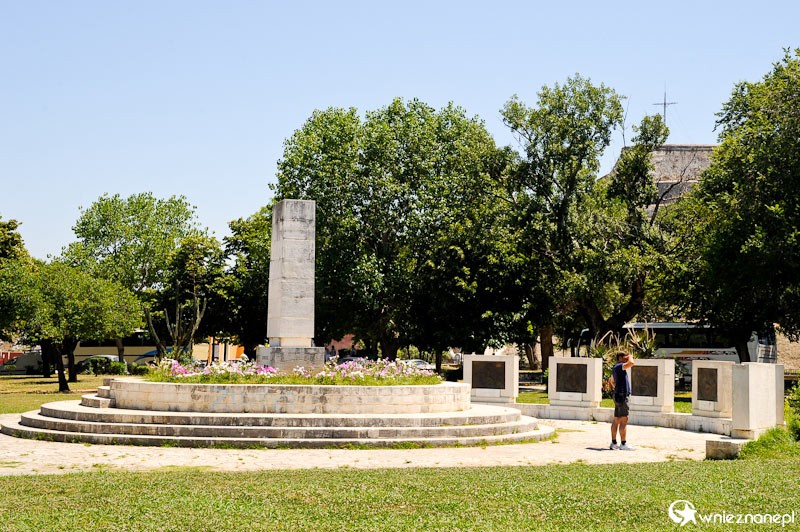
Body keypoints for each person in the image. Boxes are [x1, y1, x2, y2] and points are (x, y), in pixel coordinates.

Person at [609, 351, 635, 450]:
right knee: (624, 419)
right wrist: (630, 356)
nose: (626, 359)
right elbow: (631, 363)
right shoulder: (619, 366)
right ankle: (623, 444)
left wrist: (617, 388)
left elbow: (611, 381)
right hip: (622, 396)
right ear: (620, 358)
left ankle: (613, 443)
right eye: (625, 357)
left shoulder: (615, 367)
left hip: (617, 394)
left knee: (616, 419)